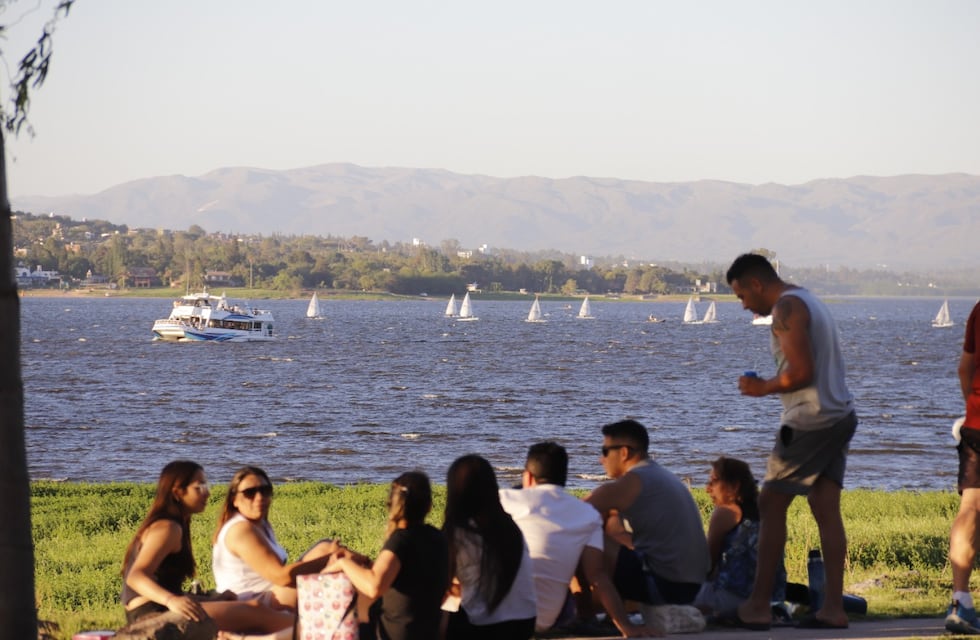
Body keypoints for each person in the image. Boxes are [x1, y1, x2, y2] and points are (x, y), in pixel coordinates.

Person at [727, 253, 857, 631]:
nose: (744, 305)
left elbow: (802, 372)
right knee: (825, 507)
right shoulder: (809, 300)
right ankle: (833, 608)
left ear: (756, 283)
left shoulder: (787, 307)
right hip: (839, 414)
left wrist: (761, 387)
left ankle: (758, 606)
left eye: (741, 296)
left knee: (769, 503)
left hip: (810, 420)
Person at [498, 441, 657, 637]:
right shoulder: (586, 514)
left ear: (528, 477)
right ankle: (586, 617)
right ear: (564, 479)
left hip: (491, 614)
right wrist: (625, 626)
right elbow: (597, 576)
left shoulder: (504, 500)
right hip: (543, 620)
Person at [121, 460, 293, 634]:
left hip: (160, 607)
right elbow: (136, 577)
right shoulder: (168, 528)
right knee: (256, 612)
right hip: (152, 615)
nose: (208, 493)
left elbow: (168, 586)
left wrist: (211, 598)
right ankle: (311, 628)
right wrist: (171, 600)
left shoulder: (176, 524)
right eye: (199, 487)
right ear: (178, 492)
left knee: (244, 607)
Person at [585, 420, 709, 608]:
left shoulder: (633, 481)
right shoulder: (660, 475)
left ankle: (580, 608)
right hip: (694, 589)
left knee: (583, 535)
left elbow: (571, 515)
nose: (601, 460)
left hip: (667, 589)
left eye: (605, 452)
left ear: (624, 452)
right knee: (606, 519)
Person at [325, 471, 449, 640]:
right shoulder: (437, 537)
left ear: (391, 504)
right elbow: (407, 572)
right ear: (429, 505)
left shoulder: (401, 540)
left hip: (393, 634)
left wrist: (344, 563)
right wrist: (361, 560)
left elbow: (374, 586)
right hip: (427, 632)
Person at [212, 466, 339, 609]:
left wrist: (330, 556)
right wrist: (333, 558)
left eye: (265, 491)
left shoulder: (261, 524)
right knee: (335, 563)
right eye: (250, 493)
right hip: (249, 602)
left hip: (269, 594)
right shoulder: (241, 530)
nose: (259, 497)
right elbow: (281, 577)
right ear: (234, 500)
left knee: (325, 547)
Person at [442, 454, 537, 640]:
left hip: (483, 628)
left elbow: (437, 586)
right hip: (525, 623)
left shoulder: (459, 532)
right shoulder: (510, 527)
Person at [694, 456, 785, 619]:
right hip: (771, 599)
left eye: (713, 482)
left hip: (734, 597)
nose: (707, 489)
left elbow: (706, 566)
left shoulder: (727, 512)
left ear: (734, 486)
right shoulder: (764, 510)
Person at [946, 300, 980, 634]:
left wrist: (971, 407)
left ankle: (960, 601)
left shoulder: (979, 309)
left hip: (976, 424)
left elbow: (964, 368)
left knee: (970, 507)